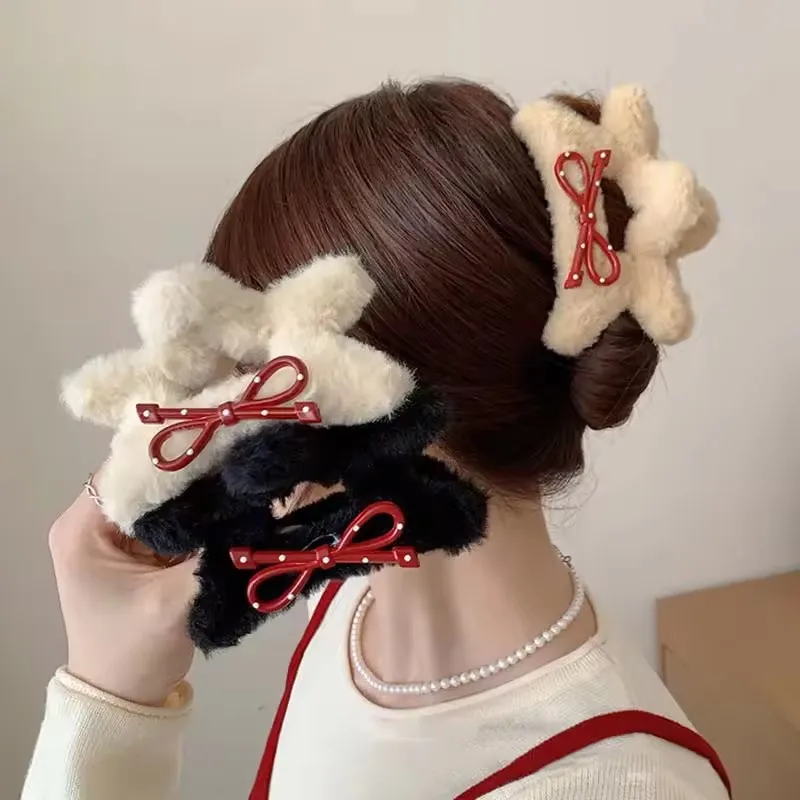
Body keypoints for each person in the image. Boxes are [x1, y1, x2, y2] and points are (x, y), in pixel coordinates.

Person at [23, 79, 730, 799]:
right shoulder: (348, 599)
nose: (216, 406)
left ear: (373, 407)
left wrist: (106, 710)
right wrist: (114, 685)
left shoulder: (616, 786)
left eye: (245, 368)